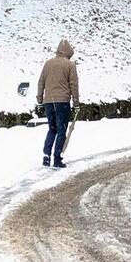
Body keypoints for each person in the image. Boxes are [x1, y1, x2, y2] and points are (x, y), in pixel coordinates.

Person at [37, 39, 79, 168]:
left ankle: (46, 156)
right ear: (68, 53)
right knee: (61, 130)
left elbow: (41, 82)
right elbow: (73, 85)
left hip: (48, 102)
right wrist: (76, 102)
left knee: (52, 129)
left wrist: (40, 99)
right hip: (62, 102)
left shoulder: (48, 64)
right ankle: (57, 158)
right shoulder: (70, 65)